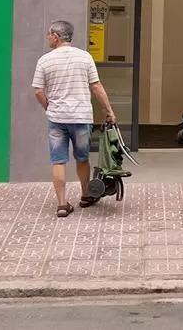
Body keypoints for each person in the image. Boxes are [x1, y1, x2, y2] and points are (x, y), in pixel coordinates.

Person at [31, 20, 116, 218]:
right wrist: (109, 110)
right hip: (80, 117)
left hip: (57, 118)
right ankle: (86, 196)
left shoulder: (45, 60)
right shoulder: (85, 57)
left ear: (55, 36)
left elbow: (38, 91)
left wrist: (48, 106)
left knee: (58, 161)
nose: (47, 38)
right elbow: (96, 86)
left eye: (49, 34)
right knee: (82, 158)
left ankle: (62, 205)